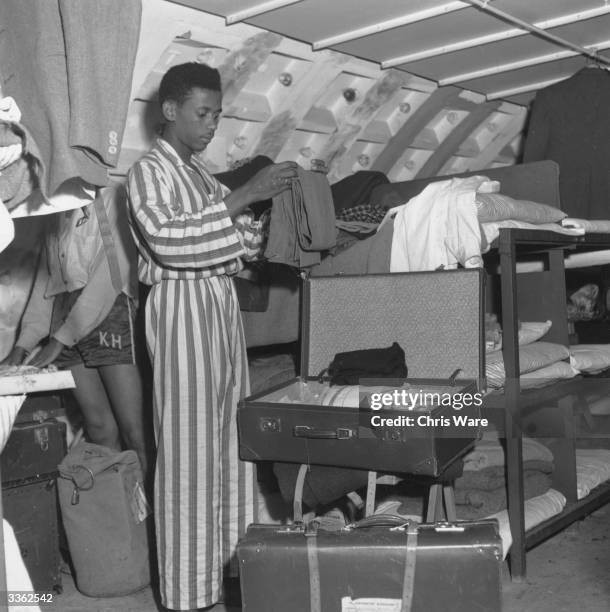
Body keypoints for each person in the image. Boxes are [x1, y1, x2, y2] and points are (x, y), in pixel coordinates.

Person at [126, 62, 298, 611]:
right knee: (188, 452)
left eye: (218, 115)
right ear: (170, 110)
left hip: (219, 307)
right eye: (203, 114)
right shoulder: (147, 172)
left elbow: (241, 247)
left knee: (229, 444)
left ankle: (226, 569)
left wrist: (265, 208)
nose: (210, 126)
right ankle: (185, 593)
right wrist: (243, 195)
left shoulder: (201, 175)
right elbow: (170, 242)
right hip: (181, 308)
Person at [2, 182, 150, 480]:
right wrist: (20, 348)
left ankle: (149, 514)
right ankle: (116, 511)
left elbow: (110, 277)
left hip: (108, 312)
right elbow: (49, 288)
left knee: (135, 431)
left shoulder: (113, 198)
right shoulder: (54, 212)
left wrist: (60, 339)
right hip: (65, 320)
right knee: (99, 427)